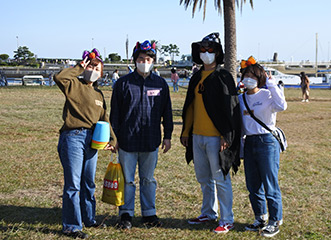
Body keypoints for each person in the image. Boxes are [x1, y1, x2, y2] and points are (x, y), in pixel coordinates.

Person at [180, 32, 241, 234]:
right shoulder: (196, 76)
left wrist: (226, 136)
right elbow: (190, 106)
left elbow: (230, 109)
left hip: (217, 139)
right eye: (203, 50)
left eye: (210, 50)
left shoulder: (224, 77)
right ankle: (208, 212)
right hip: (197, 137)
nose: (206, 53)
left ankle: (227, 218)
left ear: (218, 53)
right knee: (203, 178)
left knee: (220, 178)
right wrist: (186, 132)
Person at [110, 40, 173, 229]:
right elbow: (115, 114)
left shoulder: (161, 84)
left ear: (153, 61)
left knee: (148, 180)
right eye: (140, 59)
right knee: (127, 180)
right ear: (134, 60)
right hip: (127, 141)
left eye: (148, 59)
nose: (144, 62)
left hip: (150, 141)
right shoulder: (123, 83)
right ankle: (126, 214)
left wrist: (167, 136)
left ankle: (149, 214)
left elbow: (167, 112)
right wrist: (114, 139)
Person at [54, 49, 117, 239]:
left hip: (93, 141)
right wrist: (80, 67)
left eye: (97, 67)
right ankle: (72, 226)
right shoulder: (74, 84)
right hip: (73, 137)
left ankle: (89, 218)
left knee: (88, 183)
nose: (93, 69)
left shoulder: (99, 94)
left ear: (102, 73)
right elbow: (59, 77)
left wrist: (112, 139)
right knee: (73, 184)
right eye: (91, 65)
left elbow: (104, 119)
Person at [238, 56, 287, 237]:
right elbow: (240, 124)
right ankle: (260, 217)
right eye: (245, 75)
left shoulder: (267, 95)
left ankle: (275, 220)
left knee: (270, 183)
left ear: (260, 78)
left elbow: (282, 106)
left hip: (267, 141)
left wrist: (272, 83)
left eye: (253, 75)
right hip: (249, 142)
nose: (248, 78)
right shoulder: (241, 98)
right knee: (253, 184)